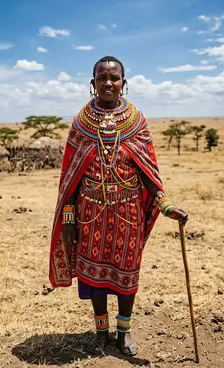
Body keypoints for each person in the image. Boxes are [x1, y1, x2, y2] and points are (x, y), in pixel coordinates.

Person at [49, 56, 188, 357]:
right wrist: (69, 219)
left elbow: (148, 172)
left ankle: (122, 334)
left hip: (128, 214)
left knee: (127, 277)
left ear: (124, 82)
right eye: (102, 78)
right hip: (89, 214)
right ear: (93, 83)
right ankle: (101, 333)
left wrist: (166, 206)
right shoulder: (81, 122)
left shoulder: (136, 121)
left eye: (114, 78)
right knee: (93, 278)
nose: (108, 83)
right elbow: (70, 177)